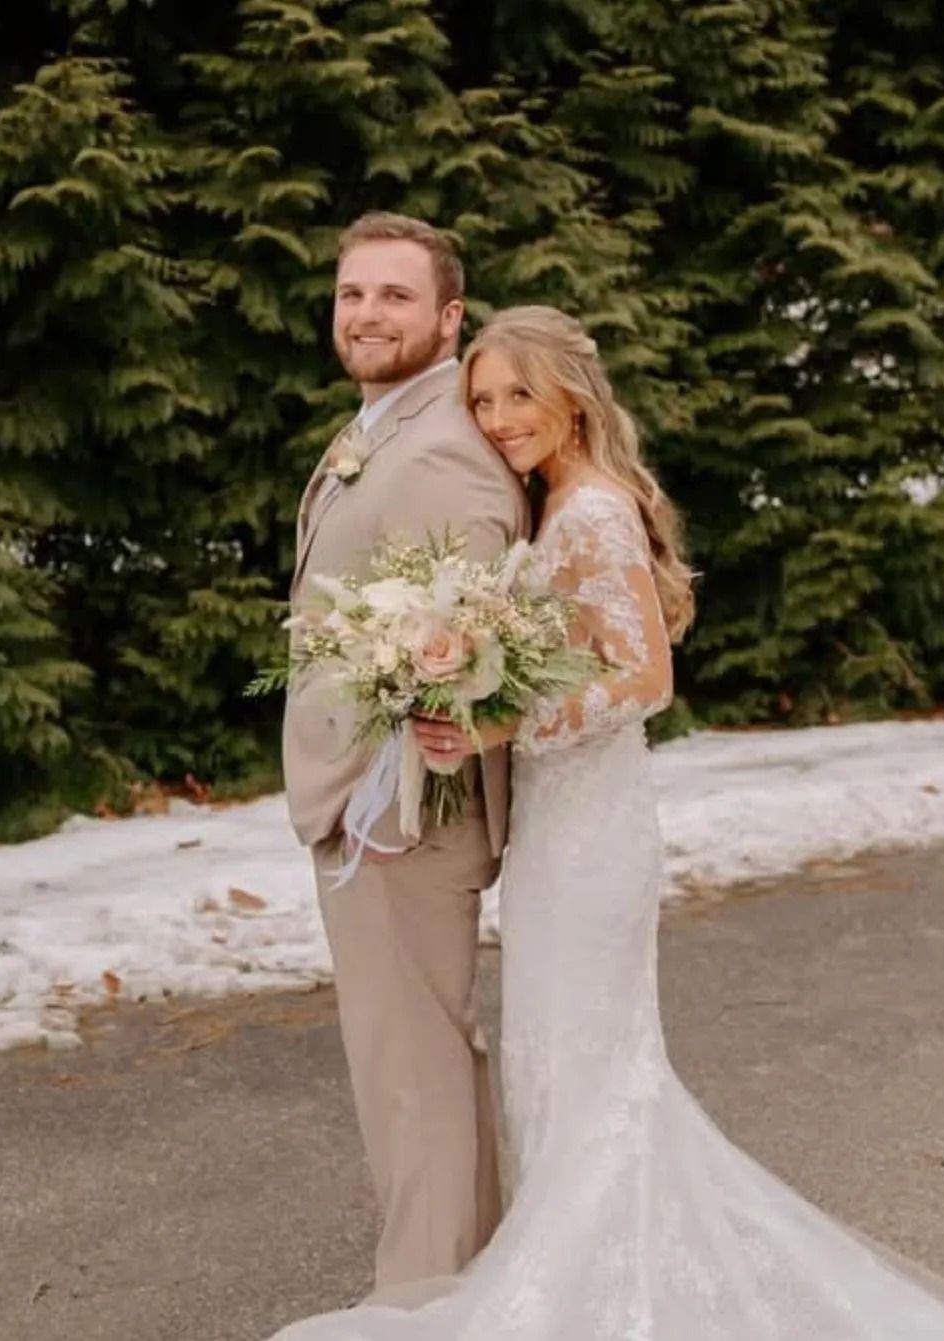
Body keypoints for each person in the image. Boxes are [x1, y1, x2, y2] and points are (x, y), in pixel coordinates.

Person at [270, 307, 944, 1339]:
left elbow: (645, 677)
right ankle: (573, 1268)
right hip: (559, 828)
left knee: (593, 1063)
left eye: (517, 397)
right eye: (483, 400)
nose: (498, 419)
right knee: (555, 1055)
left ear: (572, 398)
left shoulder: (590, 511)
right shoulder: (559, 504)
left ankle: (594, 1289)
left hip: (593, 834)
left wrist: (500, 722)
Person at [282, 214, 528, 1295]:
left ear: (448, 316)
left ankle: (426, 1300)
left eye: (393, 295)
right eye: (352, 295)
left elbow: (484, 630)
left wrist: (409, 768)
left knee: (412, 1067)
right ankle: (460, 1284)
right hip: (365, 801)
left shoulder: (443, 450)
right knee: (415, 1058)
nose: (368, 314)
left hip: (405, 809)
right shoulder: (382, 425)